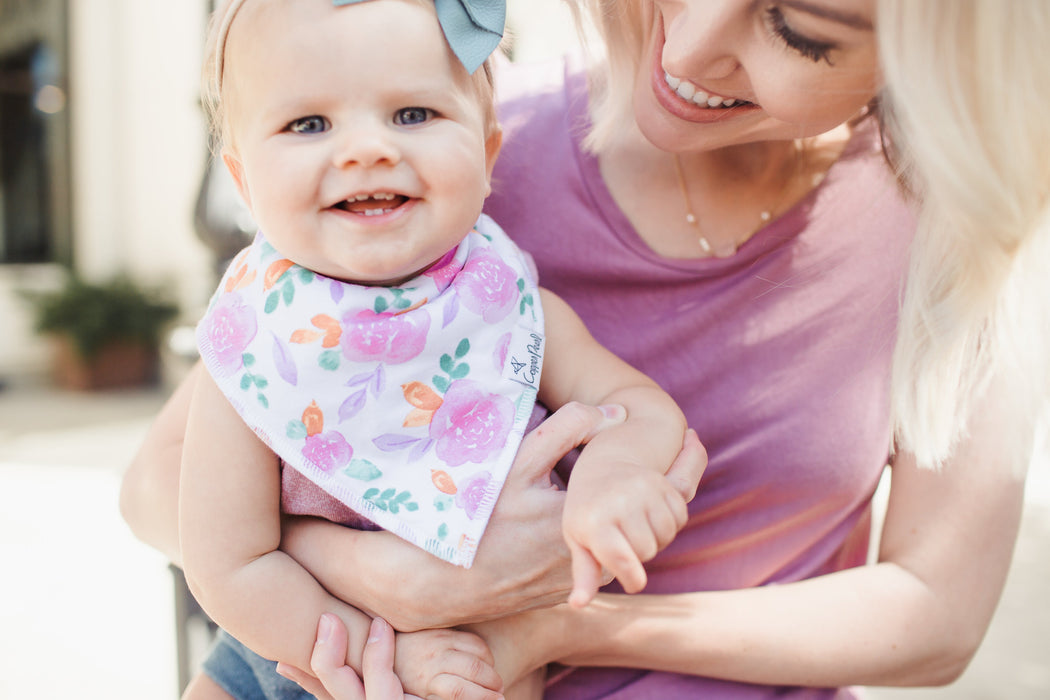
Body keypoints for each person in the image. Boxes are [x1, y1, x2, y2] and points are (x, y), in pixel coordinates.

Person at [120, 0, 1048, 697]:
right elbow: (162, 484)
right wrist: (391, 582)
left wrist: (561, 624)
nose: (681, 51)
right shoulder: (431, 174)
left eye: (798, 32)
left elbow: (935, 616)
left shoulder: (965, 230)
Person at [176, 0, 691, 698]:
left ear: (485, 154)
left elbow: (635, 405)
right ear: (243, 180)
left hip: (484, 662)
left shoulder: (509, 306)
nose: (366, 150)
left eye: (413, 115)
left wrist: (616, 473)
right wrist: (380, 656)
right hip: (287, 657)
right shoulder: (255, 343)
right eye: (308, 124)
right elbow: (229, 564)